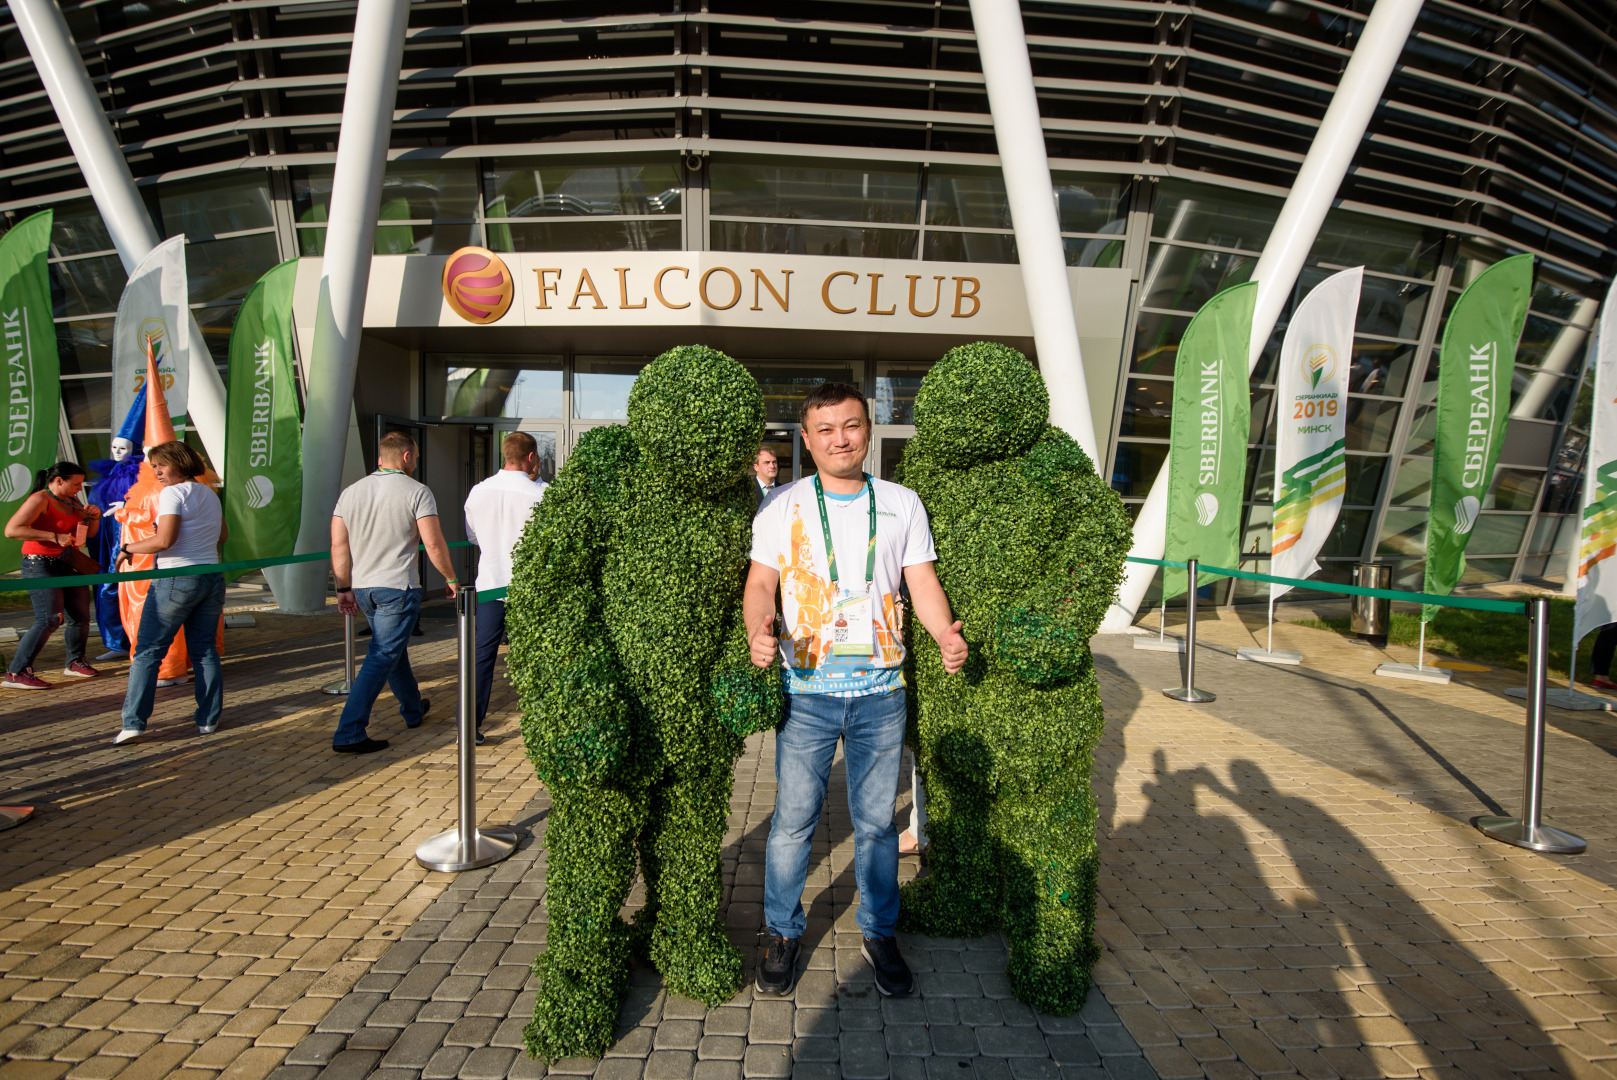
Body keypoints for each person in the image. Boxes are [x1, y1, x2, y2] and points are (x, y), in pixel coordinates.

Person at [744, 382, 968, 998]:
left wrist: (945, 631)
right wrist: (757, 631)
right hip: (806, 689)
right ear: (807, 439)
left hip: (881, 692)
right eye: (825, 429)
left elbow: (920, 582)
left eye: (851, 426)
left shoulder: (900, 502)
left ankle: (879, 932)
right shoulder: (781, 506)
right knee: (793, 821)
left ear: (868, 430)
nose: (839, 438)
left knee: (873, 824)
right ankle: (782, 931)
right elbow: (761, 585)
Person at [329, 430, 460, 754]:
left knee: (392, 651)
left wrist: (343, 587)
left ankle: (413, 710)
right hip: (397, 587)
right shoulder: (417, 491)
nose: (415, 461)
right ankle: (349, 732)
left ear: (378, 460)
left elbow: (338, 544)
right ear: (405, 457)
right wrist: (451, 577)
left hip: (364, 588)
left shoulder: (351, 492)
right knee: (382, 655)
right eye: (415, 456)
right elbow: (432, 541)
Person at [112, 441, 226, 743]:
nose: (157, 472)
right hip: (211, 575)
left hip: (177, 576)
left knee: (148, 652)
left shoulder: (173, 494)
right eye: (154, 467)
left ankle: (133, 724)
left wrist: (127, 548)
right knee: (204, 651)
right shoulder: (210, 494)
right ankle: (208, 720)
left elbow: (163, 541)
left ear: (180, 462)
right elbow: (223, 535)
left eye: (162, 465)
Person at [462, 431, 547, 744]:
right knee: (536, 657)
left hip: (489, 586)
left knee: (481, 658)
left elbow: (473, 537)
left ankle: (468, 728)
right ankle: (543, 725)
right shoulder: (541, 494)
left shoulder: (478, 492)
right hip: (528, 589)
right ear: (530, 457)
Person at [3, 462, 103, 690]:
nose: (80, 488)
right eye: (75, 483)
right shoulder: (40, 499)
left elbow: (88, 536)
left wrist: (93, 517)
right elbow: (12, 529)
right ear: (59, 481)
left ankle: (75, 662)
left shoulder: (72, 501)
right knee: (48, 619)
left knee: (80, 616)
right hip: (40, 564)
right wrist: (52, 536)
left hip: (69, 562)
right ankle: (16, 672)